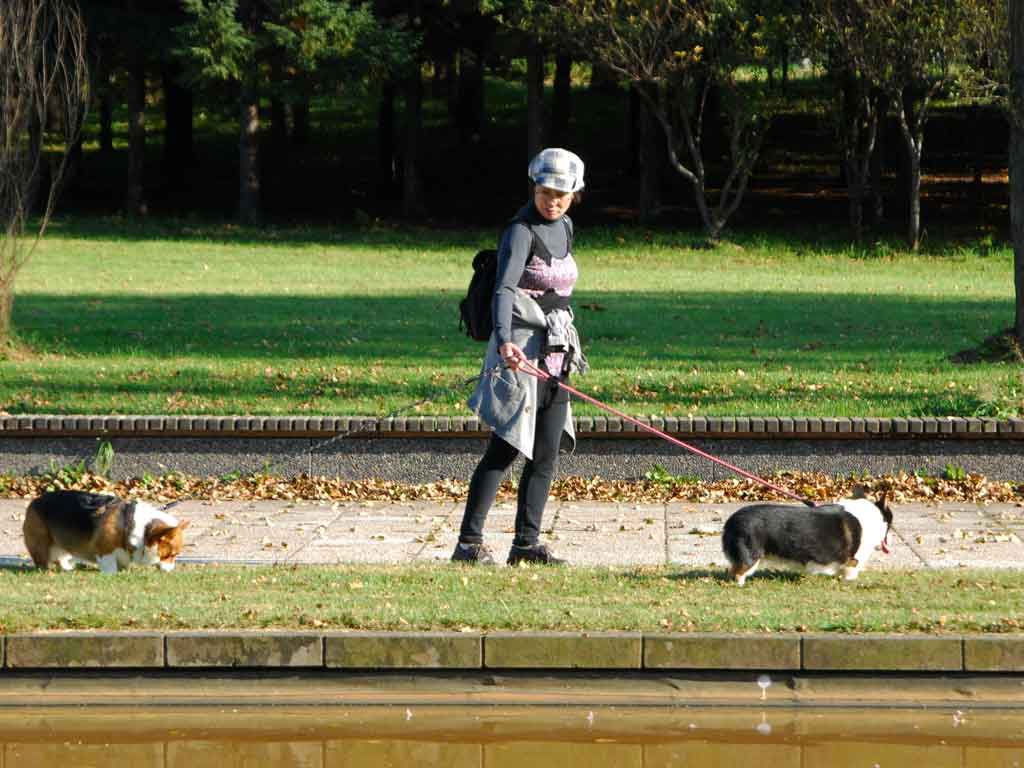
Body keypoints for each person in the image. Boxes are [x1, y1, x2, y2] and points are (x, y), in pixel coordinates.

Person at [453, 148, 588, 566]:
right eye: (546, 192)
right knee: (506, 448)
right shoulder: (519, 231)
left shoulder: (565, 226)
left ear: (574, 194)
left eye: (562, 194)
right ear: (534, 187)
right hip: (520, 353)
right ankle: (468, 545)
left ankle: (526, 545)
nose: (553, 200)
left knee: (545, 452)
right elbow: (505, 289)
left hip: (556, 353)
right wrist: (507, 341)